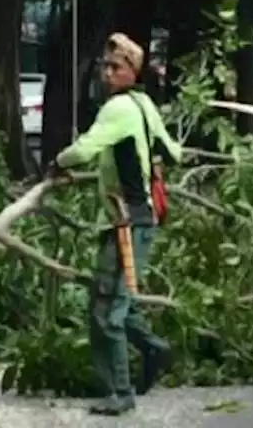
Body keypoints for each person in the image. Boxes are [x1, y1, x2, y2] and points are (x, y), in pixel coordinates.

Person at [45, 33, 182, 416]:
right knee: (115, 299)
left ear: (132, 71)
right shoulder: (144, 104)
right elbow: (174, 150)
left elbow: (85, 148)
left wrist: (58, 163)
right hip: (139, 220)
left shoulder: (119, 109)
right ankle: (154, 350)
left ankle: (120, 392)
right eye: (105, 66)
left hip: (126, 223)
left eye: (115, 67)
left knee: (107, 311)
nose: (107, 73)